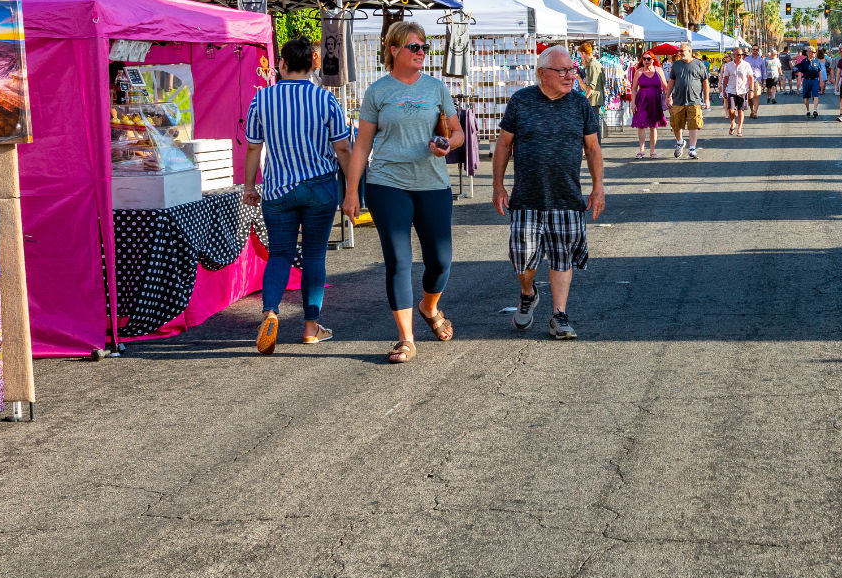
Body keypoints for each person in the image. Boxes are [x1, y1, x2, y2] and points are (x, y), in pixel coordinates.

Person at [344, 21, 466, 363]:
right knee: (398, 260)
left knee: (440, 262)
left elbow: (457, 132)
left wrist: (446, 143)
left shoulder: (436, 88)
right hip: (386, 183)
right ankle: (405, 338)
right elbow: (362, 145)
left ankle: (429, 307)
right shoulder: (378, 91)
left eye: (424, 47)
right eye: (414, 47)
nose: (421, 53)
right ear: (394, 49)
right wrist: (351, 191)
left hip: (432, 183)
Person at [243, 36, 352, 354]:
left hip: (278, 190)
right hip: (320, 188)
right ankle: (310, 327)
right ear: (311, 66)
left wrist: (250, 187)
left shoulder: (261, 100)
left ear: (282, 64)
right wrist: (354, 190)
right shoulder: (326, 100)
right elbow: (342, 148)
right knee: (315, 255)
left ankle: (270, 312)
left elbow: (253, 147)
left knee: (279, 254)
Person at [493, 45, 605, 340]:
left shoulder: (580, 105)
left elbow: (592, 149)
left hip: (567, 198)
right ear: (542, 74)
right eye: (564, 71)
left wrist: (597, 189)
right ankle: (528, 293)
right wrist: (497, 186)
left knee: (562, 256)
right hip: (527, 197)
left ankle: (559, 315)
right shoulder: (521, 101)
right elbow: (504, 145)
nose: (571, 76)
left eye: (572, 70)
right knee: (522, 259)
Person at [667, 43, 711, 158]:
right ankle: (680, 142)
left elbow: (705, 82)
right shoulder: (676, 65)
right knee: (676, 125)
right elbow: (671, 81)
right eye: (679, 51)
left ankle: (692, 149)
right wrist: (668, 96)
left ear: (689, 51)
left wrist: (706, 98)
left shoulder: (699, 64)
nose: (680, 53)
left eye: (682, 51)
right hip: (678, 100)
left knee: (694, 125)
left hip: (694, 100)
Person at [629, 53, 668, 157]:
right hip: (641, 100)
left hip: (655, 101)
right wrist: (633, 103)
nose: (646, 61)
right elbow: (633, 88)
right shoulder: (639, 72)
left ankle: (652, 151)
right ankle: (642, 150)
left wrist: (669, 97)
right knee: (641, 126)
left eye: (648, 59)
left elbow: (665, 86)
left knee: (653, 127)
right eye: (644, 59)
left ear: (653, 59)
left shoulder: (659, 70)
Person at [720, 47, 757, 136]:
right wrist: (723, 90)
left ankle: (739, 129)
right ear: (734, 55)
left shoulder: (746, 65)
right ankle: (733, 123)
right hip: (731, 90)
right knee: (731, 110)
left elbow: (750, 77)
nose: (741, 56)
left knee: (741, 110)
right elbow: (725, 78)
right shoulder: (729, 65)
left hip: (743, 90)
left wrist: (751, 90)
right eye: (739, 54)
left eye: (742, 55)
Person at [796, 47, 824, 118]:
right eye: (813, 52)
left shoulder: (817, 61)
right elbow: (800, 72)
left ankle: (815, 110)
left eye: (815, 52)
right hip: (806, 80)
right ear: (809, 53)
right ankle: (808, 111)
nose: (815, 53)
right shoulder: (803, 61)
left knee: (815, 95)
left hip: (815, 80)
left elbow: (819, 71)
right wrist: (799, 81)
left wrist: (821, 81)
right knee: (806, 97)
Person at [744, 46, 766, 119]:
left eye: (756, 50)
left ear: (758, 51)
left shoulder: (761, 60)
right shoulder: (746, 59)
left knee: (756, 96)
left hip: (757, 80)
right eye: (754, 49)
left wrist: (764, 82)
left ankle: (755, 112)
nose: (755, 51)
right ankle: (752, 110)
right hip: (748, 80)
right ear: (751, 50)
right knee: (750, 97)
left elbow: (763, 71)